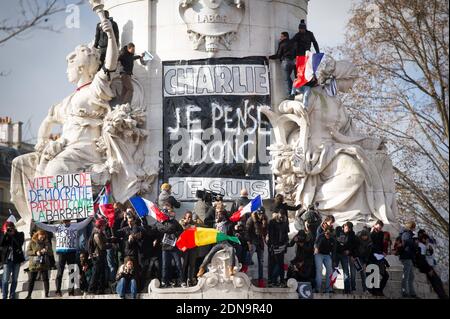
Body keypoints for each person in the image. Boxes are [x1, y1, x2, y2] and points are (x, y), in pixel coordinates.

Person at [36, 216, 93, 297]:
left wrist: (90, 218)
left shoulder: (74, 226)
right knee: (60, 272)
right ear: (62, 220)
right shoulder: (57, 227)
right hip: (61, 253)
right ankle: (58, 291)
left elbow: (83, 223)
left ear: (69, 220)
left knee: (72, 272)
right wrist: (36, 222)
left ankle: (71, 291)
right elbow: (46, 227)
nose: (66, 221)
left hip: (71, 252)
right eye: (64, 220)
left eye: (67, 220)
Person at [157, 206, 185, 288]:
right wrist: (171, 230)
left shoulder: (174, 221)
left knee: (178, 264)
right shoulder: (159, 222)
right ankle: (164, 281)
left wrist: (175, 234)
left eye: (166, 212)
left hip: (174, 247)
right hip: (165, 248)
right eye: (163, 212)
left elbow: (181, 231)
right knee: (165, 265)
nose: (165, 214)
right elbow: (162, 229)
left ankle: (181, 280)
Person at [416, 233, 448, 299]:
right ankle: (443, 296)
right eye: (427, 240)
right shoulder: (422, 246)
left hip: (426, 266)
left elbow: (426, 255)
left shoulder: (422, 246)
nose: (428, 241)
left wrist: (430, 250)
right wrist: (429, 269)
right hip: (426, 267)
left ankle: (443, 295)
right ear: (423, 239)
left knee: (438, 281)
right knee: (436, 282)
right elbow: (421, 259)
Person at [26, 230, 53, 299]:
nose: (42, 238)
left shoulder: (46, 243)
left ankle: (46, 294)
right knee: (32, 280)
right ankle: (29, 295)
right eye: (41, 237)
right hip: (34, 264)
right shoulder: (32, 242)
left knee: (45, 279)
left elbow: (51, 252)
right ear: (37, 235)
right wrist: (36, 252)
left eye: (43, 237)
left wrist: (46, 251)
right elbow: (28, 252)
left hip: (44, 263)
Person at [1, 222, 25, 299]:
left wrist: (13, 235)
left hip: (16, 260)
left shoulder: (20, 234)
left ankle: (12, 295)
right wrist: (6, 235)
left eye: (11, 227)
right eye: (8, 227)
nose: (10, 229)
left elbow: (19, 244)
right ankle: (4, 296)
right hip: (7, 261)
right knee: (5, 279)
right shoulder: (4, 235)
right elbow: (2, 244)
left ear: (14, 227)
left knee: (15, 279)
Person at [246, 207, 268, 288]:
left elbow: (265, 232)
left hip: (260, 243)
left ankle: (261, 281)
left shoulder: (264, 220)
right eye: (259, 214)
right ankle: (243, 271)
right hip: (253, 242)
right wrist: (249, 243)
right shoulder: (251, 219)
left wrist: (265, 238)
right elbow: (247, 231)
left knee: (261, 262)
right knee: (249, 257)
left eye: (262, 214)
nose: (261, 216)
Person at [269, 32, 297, 96]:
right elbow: (296, 53)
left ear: (285, 37)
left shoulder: (282, 43)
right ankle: (293, 91)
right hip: (292, 62)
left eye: (281, 36)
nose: (280, 38)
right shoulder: (293, 43)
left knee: (286, 79)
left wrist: (269, 57)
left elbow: (278, 55)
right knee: (289, 78)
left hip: (285, 62)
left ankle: (290, 94)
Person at [88, 219, 111, 294]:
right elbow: (101, 246)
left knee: (101, 273)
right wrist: (111, 245)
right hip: (97, 257)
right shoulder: (97, 234)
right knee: (96, 273)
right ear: (101, 226)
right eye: (104, 225)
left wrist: (110, 240)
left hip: (100, 256)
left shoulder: (99, 232)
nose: (105, 226)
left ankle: (100, 289)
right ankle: (91, 290)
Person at [179, 211, 202, 286]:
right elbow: (181, 226)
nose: (189, 219)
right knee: (184, 264)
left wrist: (198, 219)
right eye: (187, 217)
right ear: (184, 217)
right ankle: (182, 280)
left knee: (192, 265)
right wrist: (185, 222)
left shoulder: (194, 224)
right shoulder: (182, 223)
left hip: (193, 247)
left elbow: (201, 226)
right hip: (185, 247)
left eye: (190, 217)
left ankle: (190, 279)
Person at [267, 211, 289, 287]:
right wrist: (272, 245)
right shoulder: (272, 222)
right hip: (273, 246)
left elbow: (286, 234)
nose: (281, 219)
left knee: (280, 265)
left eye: (283, 218)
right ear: (278, 216)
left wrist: (285, 244)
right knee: (271, 264)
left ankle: (281, 280)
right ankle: (271, 281)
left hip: (281, 246)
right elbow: (270, 235)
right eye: (280, 217)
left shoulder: (285, 222)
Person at [335, 222, 358, 294]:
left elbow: (353, 245)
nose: (347, 230)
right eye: (347, 228)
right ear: (344, 226)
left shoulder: (352, 234)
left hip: (344, 255)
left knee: (346, 272)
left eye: (349, 229)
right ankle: (330, 287)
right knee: (334, 271)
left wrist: (349, 251)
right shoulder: (338, 231)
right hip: (336, 254)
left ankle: (347, 289)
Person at [369, 220, 389, 296]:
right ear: (375, 225)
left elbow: (380, 244)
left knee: (385, 275)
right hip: (372, 257)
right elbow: (370, 244)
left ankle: (379, 290)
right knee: (375, 273)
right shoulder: (370, 232)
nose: (379, 229)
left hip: (379, 256)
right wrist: (371, 232)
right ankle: (375, 291)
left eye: (380, 228)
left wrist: (383, 252)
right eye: (378, 227)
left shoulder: (381, 234)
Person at [398, 220, 417, 298]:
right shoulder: (406, 234)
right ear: (411, 227)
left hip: (408, 257)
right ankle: (404, 292)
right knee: (406, 276)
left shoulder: (408, 234)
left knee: (411, 276)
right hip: (406, 257)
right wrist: (415, 243)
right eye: (414, 227)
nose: (415, 229)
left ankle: (412, 293)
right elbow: (407, 243)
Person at [314, 227, 336, 293]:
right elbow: (316, 245)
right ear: (324, 232)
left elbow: (334, 251)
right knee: (319, 269)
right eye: (326, 233)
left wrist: (333, 260)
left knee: (330, 270)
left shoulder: (333, 239)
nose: (327, 235)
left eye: (329, 234)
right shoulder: (321, 236)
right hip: (319, 254)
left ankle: (328, 289)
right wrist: (316, 248)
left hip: (327, 255)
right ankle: (318, 288)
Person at [356, 228, 372, 293]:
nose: (364, 237)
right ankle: (364, 289)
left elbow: (368, 253)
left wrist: (365, 262)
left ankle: (366, 289)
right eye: (363, 236)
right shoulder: (358, 240)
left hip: (364, 258)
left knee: (364, 273)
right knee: (361, 273)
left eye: (365, 236)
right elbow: (355, 249)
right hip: (357, 257)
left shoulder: (369, 242)